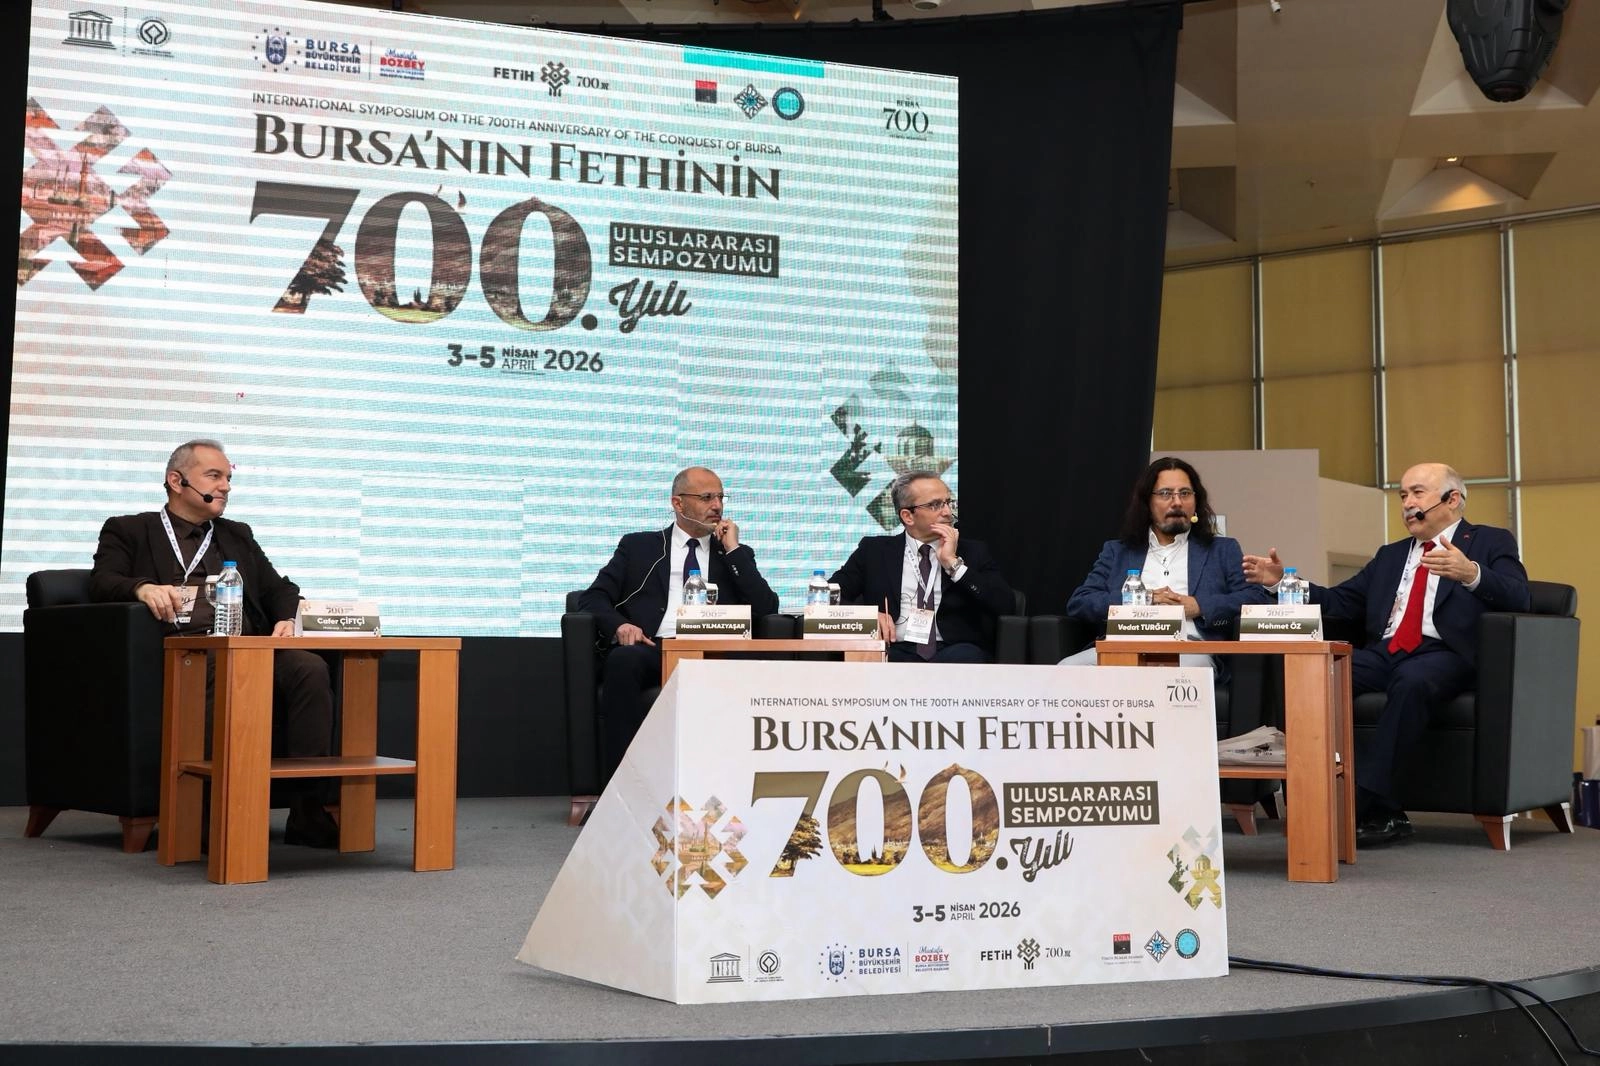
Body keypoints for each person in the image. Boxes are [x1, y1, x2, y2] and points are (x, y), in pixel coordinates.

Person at [1243, 462, 1530, 846]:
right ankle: (1312, 792)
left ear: (1452, 499)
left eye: (1418, 493)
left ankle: (1362, 803)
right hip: (1386, 650)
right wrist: (1283, 582)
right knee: (1315, 673)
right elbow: (1340, 601)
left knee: (1412, 682)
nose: (1408, 503)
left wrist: (1471, 573)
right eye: (1403, 495)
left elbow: (1520, 596)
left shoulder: (1490, 542)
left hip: (1446, 652)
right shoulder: (1391, 555)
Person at [89, 439, 338, 848]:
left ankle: (307, 809)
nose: (225, 486)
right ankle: (205, 811)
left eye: (228, 478)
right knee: (214, 671)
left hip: (243, 646)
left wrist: (285, 618)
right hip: (177, 651)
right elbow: (102, 581)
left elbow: (280, 588)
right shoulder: (130, 529)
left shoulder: (236, 535)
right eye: (214, 476)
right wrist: (142, 587)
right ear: (177, 481)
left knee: (308, 668)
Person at [580, 466, 779, 779]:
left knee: (751, 661)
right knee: (623, 660)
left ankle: (741, 781)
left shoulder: (734, 554)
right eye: (706, 497)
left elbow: (767, 608)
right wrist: (620, 626)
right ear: (678, 503)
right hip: (656, 647)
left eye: (721, 497)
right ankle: (622, 786)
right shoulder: (639, 547)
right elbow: (593, 597)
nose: (717, 506)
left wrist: (734, 550)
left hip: (716, 649)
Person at [1063, 457, 1263, 666]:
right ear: (1147, 503)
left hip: (1190, 649)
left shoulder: (1222, 550)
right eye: (1166, 493)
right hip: (1122, 646)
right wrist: (1143, 599)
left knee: (1181, 671)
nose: (1177, 502)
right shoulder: (1118, 551)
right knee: (1067, 668)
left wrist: (1199, 606)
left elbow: (1254, 598)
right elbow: (1081, 602)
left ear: (1196, 502)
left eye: (1185, 493)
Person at [830, 470, 1015, 663]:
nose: (947, 512)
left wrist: (954, 565)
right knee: (869, 661)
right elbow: (828, 598)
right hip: (893, 650)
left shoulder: (973, 552)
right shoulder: (874, 552)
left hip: (953, 652)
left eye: (949, 502)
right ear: (908, 516)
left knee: (966, 657)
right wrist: (866, 617)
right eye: (935, 505)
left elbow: (1006, 604)